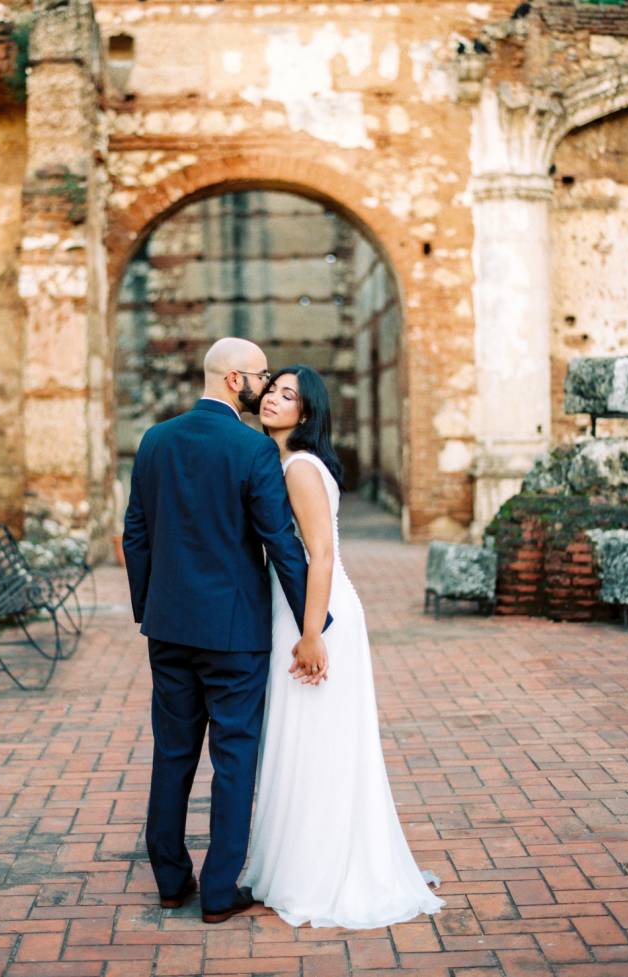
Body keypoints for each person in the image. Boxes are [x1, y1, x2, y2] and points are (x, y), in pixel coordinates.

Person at [122, 338, 330, 924]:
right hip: (235, 633)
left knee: (173, 751)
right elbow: (280, 543)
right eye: (263, 376)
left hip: (168, 627)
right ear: (236, 379)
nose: (266, 386)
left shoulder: (155, 441)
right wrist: (316, 624)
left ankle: (169, 880)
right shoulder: (251, 450)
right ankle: (218, 891)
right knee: (234, 757)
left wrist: (149, 608)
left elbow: (135, 534)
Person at [244, 365, 445, 929]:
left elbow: (322, 555)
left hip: (318, 610)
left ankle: (322, 873)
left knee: (319, 737)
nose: (274, 400)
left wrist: (313, 634)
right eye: (273, 391)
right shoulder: (283, 462)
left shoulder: (301, 467)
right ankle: (298, 861)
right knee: (305, 735)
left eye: (289, 396)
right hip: (301, 605)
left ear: (306, 414)